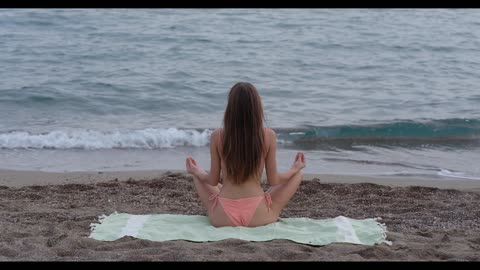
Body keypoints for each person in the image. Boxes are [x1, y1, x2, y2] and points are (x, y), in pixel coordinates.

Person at [185, 82, 306, 227]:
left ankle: (199, 176)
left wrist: (197, 171)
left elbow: (212, 180)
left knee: (200, 176)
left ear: (230, 108)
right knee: (297, 175)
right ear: (256, 108)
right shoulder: (268, 135)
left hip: (224, 216)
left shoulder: (218, 136)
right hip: (258, 215)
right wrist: (294, 168)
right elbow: (274, 181)